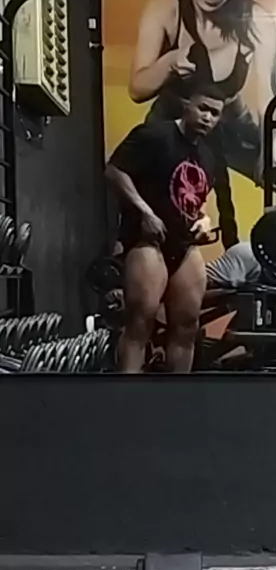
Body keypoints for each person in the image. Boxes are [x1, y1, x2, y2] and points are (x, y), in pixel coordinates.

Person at [127, 0, 276, 207]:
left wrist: (269, 155)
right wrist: (169, 62)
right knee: (142, 194)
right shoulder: (164, 10)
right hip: (174, 122)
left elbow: (269, 101)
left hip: (231, 123)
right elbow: (137, 89)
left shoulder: (257, 20)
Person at [105, 79, 226, 374]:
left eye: (215, 113)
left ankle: (177, 397)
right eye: (203, 108)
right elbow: (115, 170)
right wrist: (145, 212)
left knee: (187, 326)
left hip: (184, 246)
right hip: (148, 242)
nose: (207, 117)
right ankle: (124, 395)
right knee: (140, 321)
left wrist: (204, 220)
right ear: (187, 105)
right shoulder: (154, 135)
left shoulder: (208, 156)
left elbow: (198, 200)